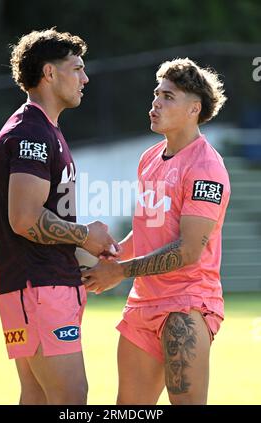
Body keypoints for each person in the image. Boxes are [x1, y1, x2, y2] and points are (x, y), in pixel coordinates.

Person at [82, 58, 230, 405]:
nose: (155, 103)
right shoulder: (149, 158)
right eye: (156, 94)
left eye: (168, 96)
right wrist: (112, 253)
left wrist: (118, 272)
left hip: (186, 304)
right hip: (142, 306)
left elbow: (188, 250)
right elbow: (149, 233)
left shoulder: (206, 167)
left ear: (194, 108)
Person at [0, 28, 118, 405]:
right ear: (49, 73)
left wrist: (91, 253)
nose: (85, 78)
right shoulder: (30, 132)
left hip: (37, 287)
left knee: (38, 397)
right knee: (70, 398)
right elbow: (25, 219)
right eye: (77, 68)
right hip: (39, 288)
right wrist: (85, 236)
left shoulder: (44, 129)